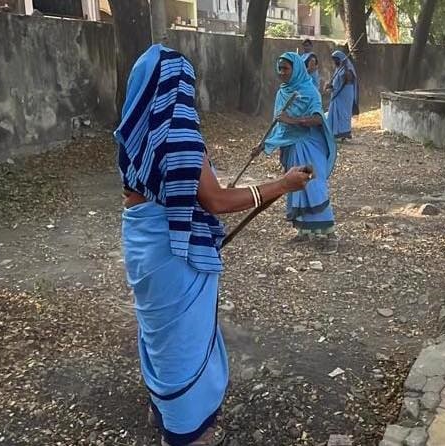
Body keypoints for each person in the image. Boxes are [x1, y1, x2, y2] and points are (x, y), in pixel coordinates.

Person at [115, 44, 311, 446]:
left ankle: (162, 406)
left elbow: (175, 191)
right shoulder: (179, 135)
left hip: (141, 243)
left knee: (158, 333)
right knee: (183, 339)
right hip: (172, 253)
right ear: (178, 86)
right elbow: (215, 201)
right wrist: (282, 185)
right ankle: (185, 431)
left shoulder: (132, 129)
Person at [260, 52, 339, 253]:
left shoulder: (309, 91)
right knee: (296, 187)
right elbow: (278, 126)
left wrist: (293, 120)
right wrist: (265, 145)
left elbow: (318, 119)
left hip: (310, 145)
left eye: (285, 68)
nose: (281, 73)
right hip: (292, 146)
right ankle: (304, 232)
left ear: (295, 69)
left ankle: (329, 234)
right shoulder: (282, 93)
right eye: (279, 68)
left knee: (314, 185)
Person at [325, 50, 359, 141]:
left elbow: (347, 81)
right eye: (334, 60)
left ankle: (344, 132)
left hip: (345, 94)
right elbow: (336, 81)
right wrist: (331, 86)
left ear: (340, 59)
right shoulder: (338, 68)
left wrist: (335, 88)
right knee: (336, 112)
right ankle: (335, 133)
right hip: (337, 93)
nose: (334, 61)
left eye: (336, 59)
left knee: (344, 114)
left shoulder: (348, 69)